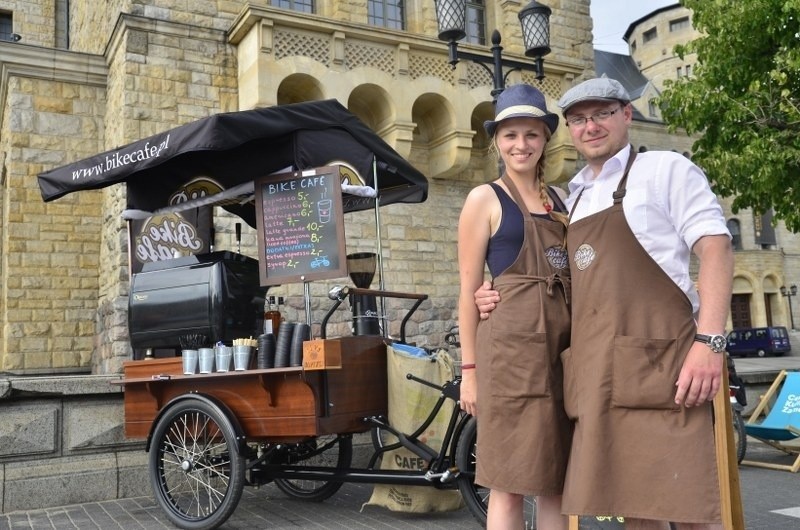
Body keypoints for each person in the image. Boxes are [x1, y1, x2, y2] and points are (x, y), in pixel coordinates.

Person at [474, 77, 733, 530]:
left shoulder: (665, 169)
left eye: (602, 114)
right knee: (633, 507)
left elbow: (715, 247)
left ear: (627, 114)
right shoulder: (574, 197)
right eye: (579, 119)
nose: (590, 126)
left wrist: (709, 341)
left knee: (687, 503)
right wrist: (495, 291)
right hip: (601, 375)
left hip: (665, 368)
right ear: (570, 130)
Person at [457, 83, 572, 530]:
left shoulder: (561, 202)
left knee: (556, 481)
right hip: (509, 360)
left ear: (545, 139)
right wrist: (469, 372)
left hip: (561, 355)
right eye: (510, 135)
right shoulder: (484, 198)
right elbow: (469, 292)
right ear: (497, 141)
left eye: (531, 134)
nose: (520, 145)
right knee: (507, 483)